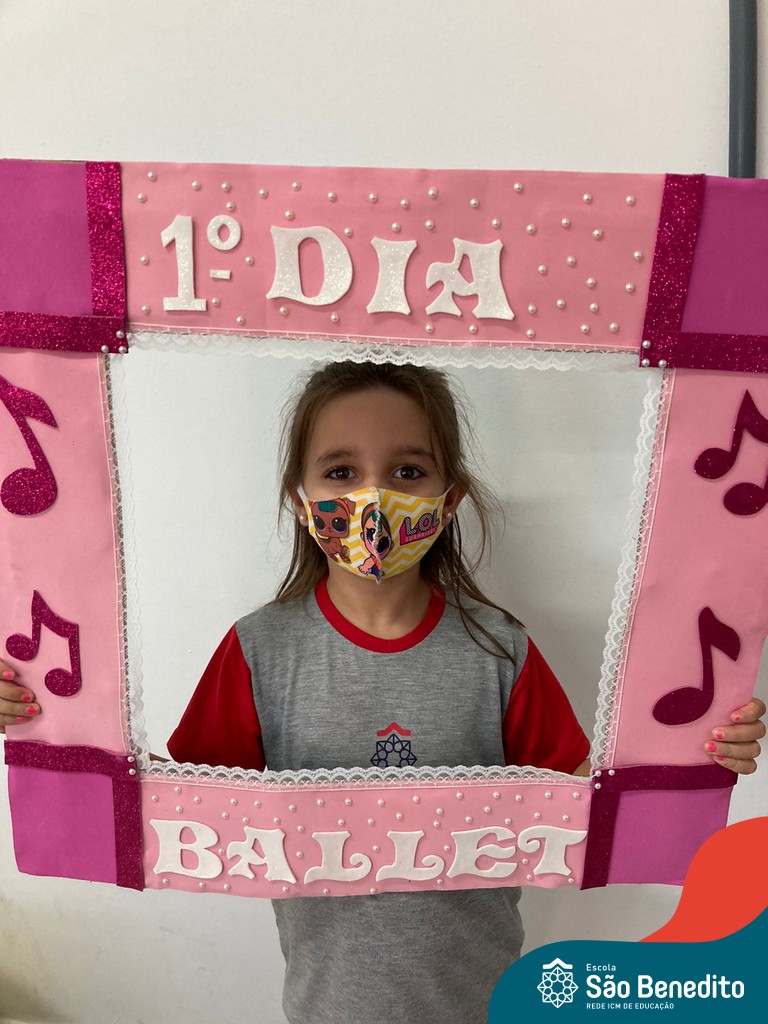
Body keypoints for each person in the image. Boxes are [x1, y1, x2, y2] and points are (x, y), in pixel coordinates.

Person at [0, 360, 765, 1024]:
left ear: (450, 496)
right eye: (340, 471)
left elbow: (583, 801)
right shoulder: (259, 652)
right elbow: (178, 813)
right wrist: (43, 716)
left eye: (407, 471)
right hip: (327, 1007)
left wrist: (693, 755)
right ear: (300, 496)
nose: (373, 496)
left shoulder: (499, 649)